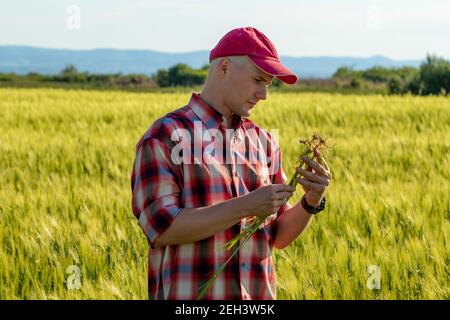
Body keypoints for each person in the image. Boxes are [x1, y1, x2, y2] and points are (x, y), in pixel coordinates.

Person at [131, 27, 332, 300]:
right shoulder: (165, 136)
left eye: (268, 84)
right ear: (224, 68)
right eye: (258, 80)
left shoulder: (264, 142)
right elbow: (162, 228)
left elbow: (278, 236)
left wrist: (311, 200)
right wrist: (247, 205)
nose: (264, 94)